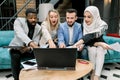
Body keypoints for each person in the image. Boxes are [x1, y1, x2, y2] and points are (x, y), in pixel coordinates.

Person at [9, 8, 55, 80]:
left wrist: (28, 48)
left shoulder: (38, 28)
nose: (33, 20)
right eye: (30, 18)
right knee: (15, 56)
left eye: (35, 18)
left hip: (28, 49)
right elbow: (20, 34)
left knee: (39, 57)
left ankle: (35, 77)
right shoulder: (18, 21)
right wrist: (31, 43)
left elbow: (36, 41)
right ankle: (16, 78)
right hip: (17, 48)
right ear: (26, 17)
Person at [73, 6, 112, 80]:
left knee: (100, 50)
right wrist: (99, 44)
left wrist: (79, 42)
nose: (86, 19)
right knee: (92, 50)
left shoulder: (103, 25)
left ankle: (97, 75)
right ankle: (93, 71)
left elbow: (93, 35)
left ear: (95, 16)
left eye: (89, 17)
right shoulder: (84, 24)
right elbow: (88, 41)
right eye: (85, 16)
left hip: (99, 43)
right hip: (90, 44)